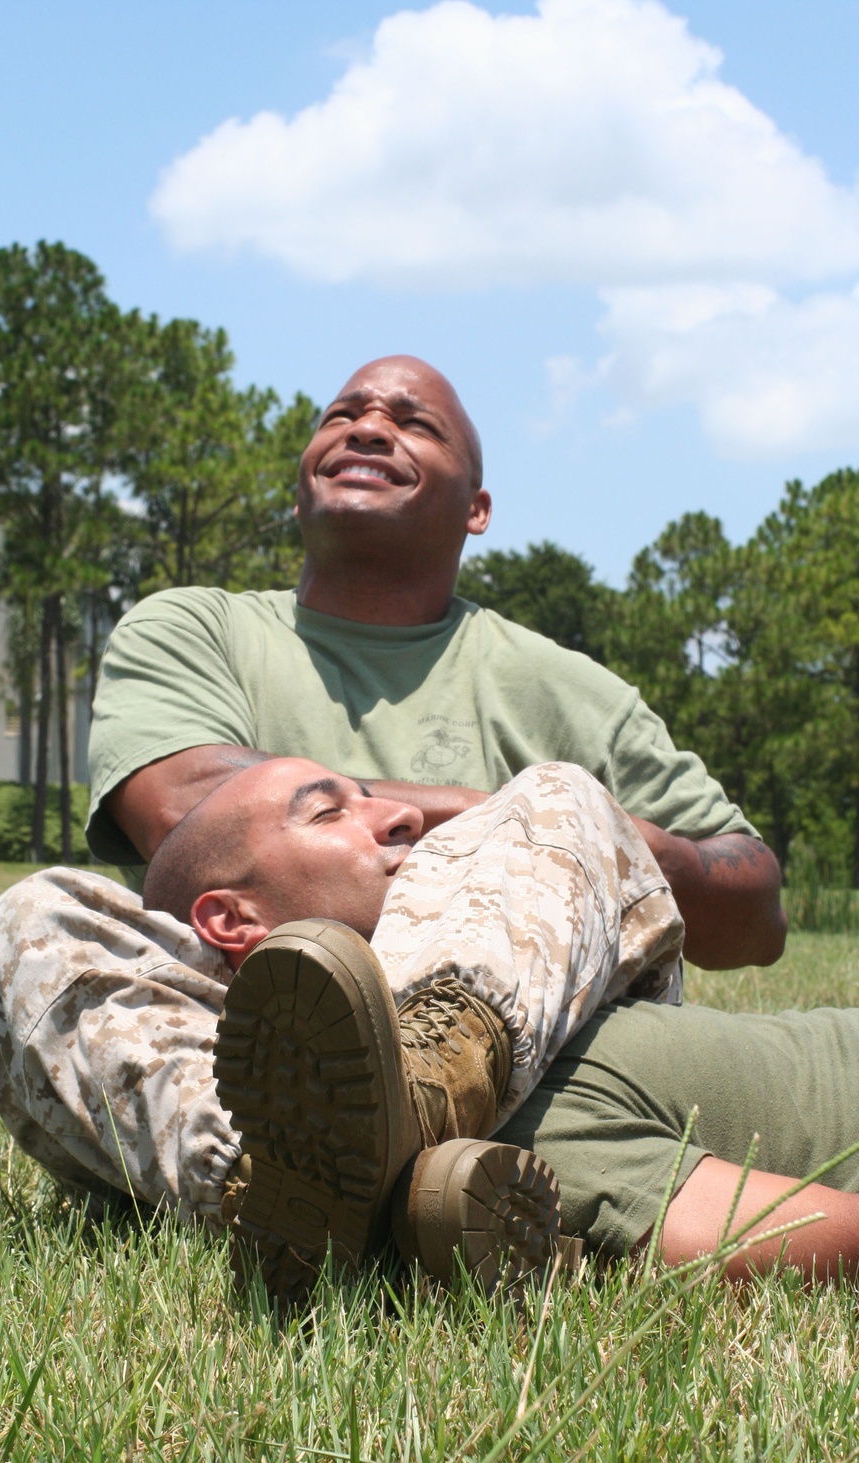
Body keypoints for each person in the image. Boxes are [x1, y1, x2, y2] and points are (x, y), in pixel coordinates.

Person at [88, 354, 786, 973]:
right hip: (240, 1034)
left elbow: (755, 914)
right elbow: (186, 811)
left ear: (476, 510)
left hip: (528, 1052)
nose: (365, 429)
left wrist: (640, 858)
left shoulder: (568, 690)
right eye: (342, 415)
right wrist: (544, 826)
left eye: (414, 423)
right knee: (38, 922)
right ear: (298, 491)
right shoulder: (194, 628)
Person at [140, 756, 859, 1291]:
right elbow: (802, 1233)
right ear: (231, 920)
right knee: (29, 917)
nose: (403, 817)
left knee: (559, 792)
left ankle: (421, 1079)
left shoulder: (535, 1051)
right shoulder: (516, 1143)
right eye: (330, 813)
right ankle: (262, 1170)